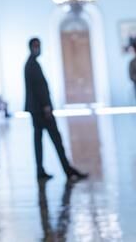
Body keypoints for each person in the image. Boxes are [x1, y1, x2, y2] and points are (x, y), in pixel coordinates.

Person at [24, 37, 88, 181]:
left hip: (37, 110)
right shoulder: (32, 65)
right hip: (41, 110)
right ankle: (67, 170)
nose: (38, 48)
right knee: (55, 140)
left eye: (39, 45)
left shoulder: (32, 64)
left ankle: (43, 170)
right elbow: (39, 89)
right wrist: (46, 106)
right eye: (35, 46)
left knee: (40, 141)